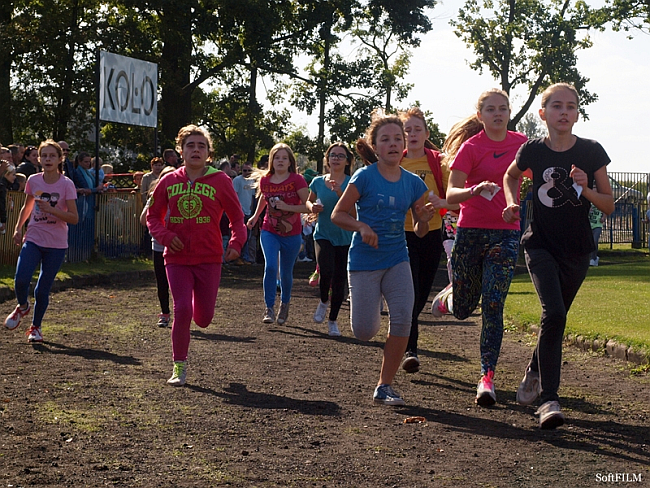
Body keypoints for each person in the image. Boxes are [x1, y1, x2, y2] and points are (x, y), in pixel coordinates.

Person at [503, 82, 614, 429]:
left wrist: (587, 187)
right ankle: (550, 400)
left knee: (557, 317)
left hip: (578, 249)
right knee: (553, 312)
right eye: (557, 106)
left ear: (577, 113)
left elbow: (608, 205)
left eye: (571, 106)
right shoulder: (532, 150)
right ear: (543, 113)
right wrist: (511, 201)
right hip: (540, 244)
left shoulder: (592, 151)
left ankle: (535, 368)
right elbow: (510, 176)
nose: (564, 112)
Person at [331, 110, 435, 406]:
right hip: (364, 261)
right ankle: (368, 301)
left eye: (397, 139)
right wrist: (361, 226)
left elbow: (419, 229)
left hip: (397, 257)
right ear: (375, 147)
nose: (392, 144)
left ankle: (384, 385)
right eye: (385, 139)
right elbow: (338, 214)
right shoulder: (365, 177)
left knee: (403, 317)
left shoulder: (414, 183)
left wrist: (425, 218)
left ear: (403, 144)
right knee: (365, 331)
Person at [445, 88, 528, 407]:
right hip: (470, 234)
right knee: (465, 309)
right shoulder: (471, 147)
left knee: (493, 305)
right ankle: (450, 297)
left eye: (503, 108)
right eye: (491, 109)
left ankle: (486, 377)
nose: (498, 113)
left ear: (509, 112)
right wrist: (474, 191)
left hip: (506, 234)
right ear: (480, 116)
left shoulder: (521, 145)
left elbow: (542, 172)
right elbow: (451, 194)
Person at [147, 124, 246, 386]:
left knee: (203, 319)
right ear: (181, 151)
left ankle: (194, 306)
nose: (196, 150)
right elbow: (153, 217)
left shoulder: (221, 181)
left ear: (208, 153)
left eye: (201, 146)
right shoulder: (168, 181)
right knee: (181, 309)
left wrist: (236, 243)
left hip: (209, 258)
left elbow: (237, 218)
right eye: (190, 145)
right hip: (176, 258)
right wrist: (167, 237)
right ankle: (179, 366)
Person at [398, 107, 456, 374]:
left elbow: (452, 199)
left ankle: (402, 331)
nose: (411, 134)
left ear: (426, 133)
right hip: (401, 236)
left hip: (432, 234)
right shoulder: (395, 162)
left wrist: (440, 203)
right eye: (407, 130)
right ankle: (410, 350)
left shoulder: (438, 162)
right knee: (410, 294)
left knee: (420, 293)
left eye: (416, 129)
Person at [3, 140, 78, 342]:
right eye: (44, 155)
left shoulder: (66, 184)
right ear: (39, 158)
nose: (47, 159)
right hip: (34, 237)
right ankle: (23, 306)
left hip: (56, 243)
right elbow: (27, 207)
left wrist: (52, 210)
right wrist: (18, 228)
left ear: (60, 159)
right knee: (20, 279)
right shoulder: (33, 180)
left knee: (42, 288)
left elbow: (74, 217)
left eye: (52, 156)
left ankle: (35, 328)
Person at [247, 143, 309, 325]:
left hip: (292, 233)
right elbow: (264, 200)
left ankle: (285, 304)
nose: (280, 161)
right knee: (271, 267)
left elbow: (307, 205)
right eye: (277, 157)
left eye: (284, 158)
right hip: (269, 230)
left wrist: (288, 207)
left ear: (290, 161)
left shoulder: (297, 180)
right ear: (271, 161)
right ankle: (269, 308)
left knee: (286, 272)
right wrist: (255, 217)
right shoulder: (265, 180)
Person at [307, 143, 354, 337]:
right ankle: (323, 301)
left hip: (345, 237)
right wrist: (312, 208)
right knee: (326, 271)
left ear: (347, 161)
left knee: (339, 280)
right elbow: (309, 201)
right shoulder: (317, 182)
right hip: (323, 234)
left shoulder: (352, 182)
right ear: (327, 159)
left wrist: (340, 194)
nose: (336, 158)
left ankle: (333, 321)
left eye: (340, 155)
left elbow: (353, 212)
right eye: (332, 155)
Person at [140, 166, 176, 327]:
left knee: (179, 283)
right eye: (165, 178)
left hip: (178, 246)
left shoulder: (182, 196)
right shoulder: (154, 197)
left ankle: (183, 312)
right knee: (162, 281)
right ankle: (165, 313)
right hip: (159, 246)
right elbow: (143, 219)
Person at [232, 162, 257, 264]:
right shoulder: (237, 180)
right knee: (239, 236)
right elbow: (235, 196)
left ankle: (245, 258)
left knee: (248, 236)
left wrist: (251, 211)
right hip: (239, 213)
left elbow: (252, 197)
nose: (246, 173)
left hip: (248, 212)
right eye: (244, 170)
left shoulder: (252, 181)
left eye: (248, 170)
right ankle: (238, 257)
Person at [588, 200, 605, 266]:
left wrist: (603, 217)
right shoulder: (588, 202)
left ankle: (593, 258)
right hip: (589, 225)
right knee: (589, 242)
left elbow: (605, 210)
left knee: (595, 240)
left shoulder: (600, 201)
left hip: (597, 225)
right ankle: (590, 258)